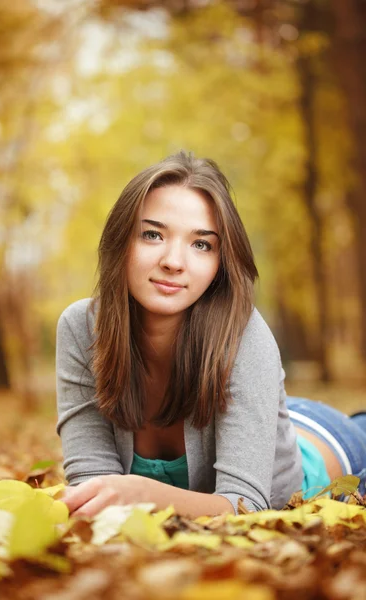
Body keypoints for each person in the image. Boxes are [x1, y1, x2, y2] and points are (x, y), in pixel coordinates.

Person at [56, 150, 366, 519]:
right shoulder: (81, 329)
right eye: (152, 234)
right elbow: (95, 486)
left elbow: (246, 505)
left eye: (201, 244)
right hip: (264, 416)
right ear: (120, 241)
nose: (173, 261)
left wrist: (142, 492)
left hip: (322, 440)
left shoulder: (243, 334)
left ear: (220, 263)